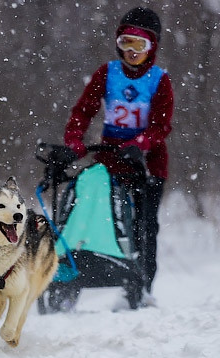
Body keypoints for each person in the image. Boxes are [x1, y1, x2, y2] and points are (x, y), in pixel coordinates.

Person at [63, 6, 174, 305]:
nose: (132, 52)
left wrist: (141, 143)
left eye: (140, 44)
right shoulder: (107, 73)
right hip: (110, 161)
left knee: (145, 227)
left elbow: (161, 126)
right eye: (126, 43)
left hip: (148, 166)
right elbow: (84, 110)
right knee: (94, 215)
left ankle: (141, 288)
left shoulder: (159, 80)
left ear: (152, 47)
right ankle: (75, 272)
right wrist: (74, 140)